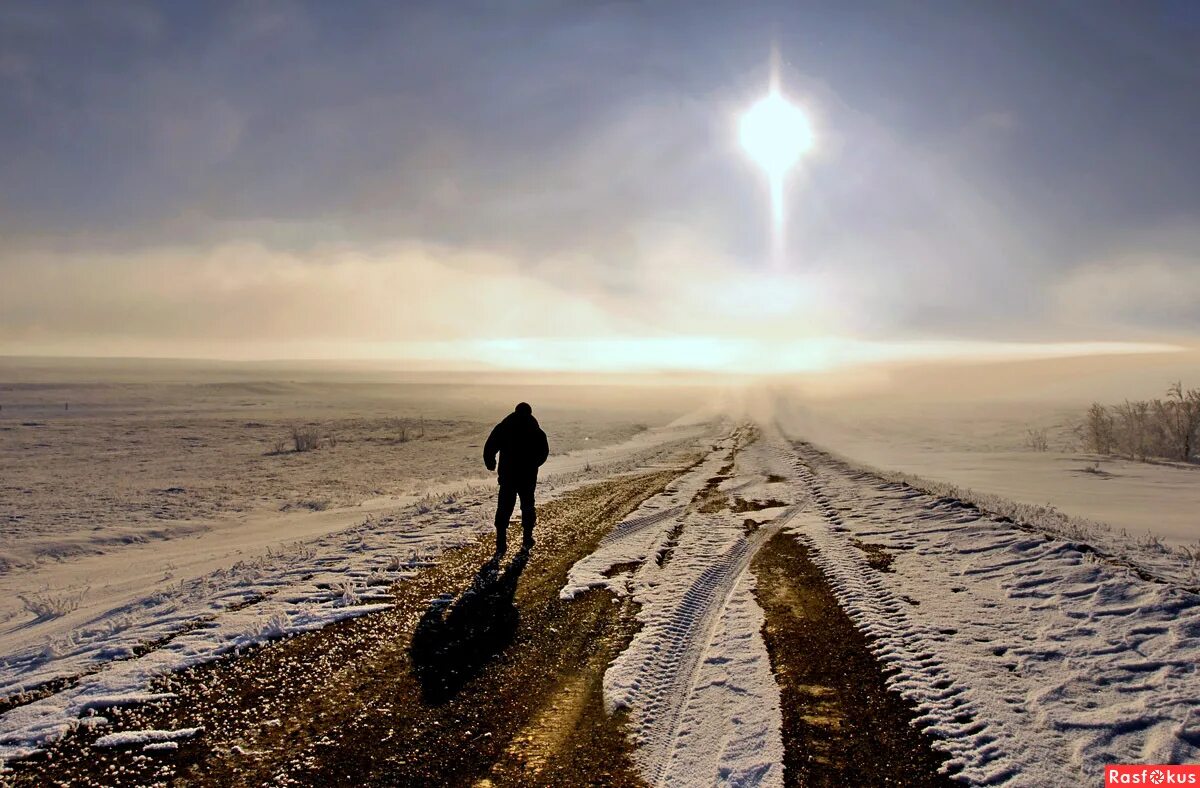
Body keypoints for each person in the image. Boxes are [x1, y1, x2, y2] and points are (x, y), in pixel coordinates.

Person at [483, 402, 549, 553]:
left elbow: (490, 446)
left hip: (508, 475)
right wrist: (533, 464)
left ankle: (501, 542)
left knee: (504, 508)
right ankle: (527, 538)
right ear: (530, 413)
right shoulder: (536, 430)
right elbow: (543, 452)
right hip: (527, 476)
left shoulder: (504, 427)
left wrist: (490, 462)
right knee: (527, 506)